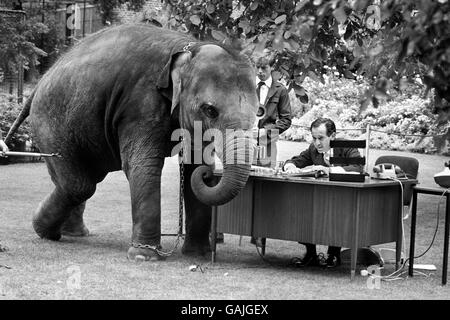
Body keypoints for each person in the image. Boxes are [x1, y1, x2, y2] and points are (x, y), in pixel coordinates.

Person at [283, 118, 363, 268]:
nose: (317, 143)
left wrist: (329, 170)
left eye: (321, 138)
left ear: (332, 136)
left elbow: (358, 168)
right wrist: (290, 166)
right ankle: (311, 254)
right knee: (304, 209)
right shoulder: (313, 149)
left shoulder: (347, 146)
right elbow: (294, 161)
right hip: (319, 196)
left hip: (344, 198)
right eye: (314, 138)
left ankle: (333, 255)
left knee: (338, 214)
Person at [253, 55, 292, 168]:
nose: (260, 71)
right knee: (243, 181)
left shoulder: (281, 90)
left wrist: (265, 132)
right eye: (257, 67)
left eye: (264, 68)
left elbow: (286, 120)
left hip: (268, 143)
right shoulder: (246, 87)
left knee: (266, 179)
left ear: (271, 67)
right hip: (245, 142)